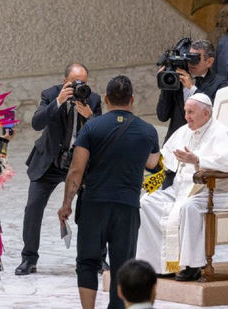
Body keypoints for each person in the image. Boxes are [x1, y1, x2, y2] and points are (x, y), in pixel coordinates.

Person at [58, 75, 160, 309]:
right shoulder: (147, 131)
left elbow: (76, 170)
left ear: (105, 98)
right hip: (127, 206)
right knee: (123, 265)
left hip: (94, 204)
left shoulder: (92, 127)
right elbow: (152, 163)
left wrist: (66, 204)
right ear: (132, 99)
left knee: (86, 262)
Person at [136, 93, 228, 281]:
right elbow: (164, 157)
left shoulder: (221, 132)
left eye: (191, 112)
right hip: (182, 189)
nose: (187, 116)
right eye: (186, 111)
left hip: (218, 191)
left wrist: (197, 160)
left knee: (189, 207)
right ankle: (160, 264)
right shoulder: (184, 131)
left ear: (206, 113)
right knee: (146, 202)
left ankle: (192, 265)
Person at [15, 63, 102, 276]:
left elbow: (102, 134)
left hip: (79, 163)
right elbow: (36, 123)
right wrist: (58, 101)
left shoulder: (92, 99)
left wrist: (91, 117)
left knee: (94, 208)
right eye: (75, 83)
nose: (80, 86)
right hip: (50, 162)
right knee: (33, 207)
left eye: (84, 82)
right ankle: (29, 259)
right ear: (65, 82)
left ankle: (98, 259)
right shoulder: (50, 94)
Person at [157, 39, 227, 188]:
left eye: (196, 59)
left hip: (200, 157)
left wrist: (192, 89)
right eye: (189, 57)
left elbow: (214, 115)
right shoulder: (176, 79)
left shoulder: (219, 84)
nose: (191, 63)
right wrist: (166, 84)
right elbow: (162, 115)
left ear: (209, 62)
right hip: (175, 154)